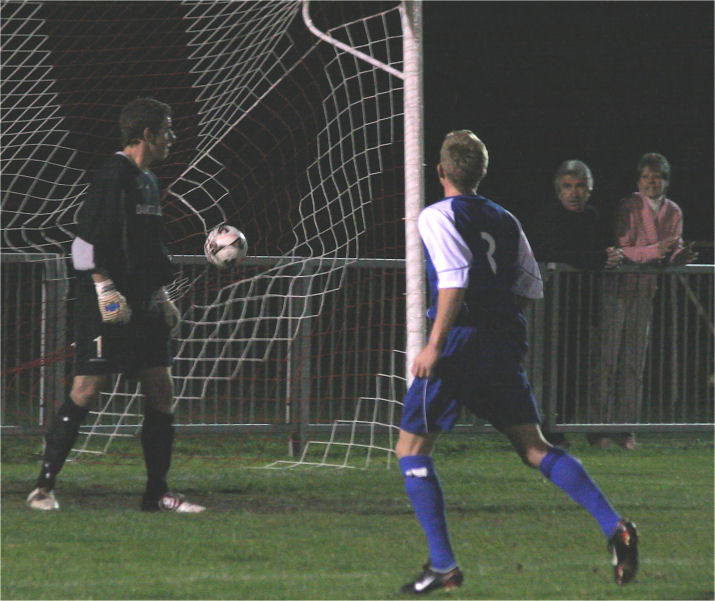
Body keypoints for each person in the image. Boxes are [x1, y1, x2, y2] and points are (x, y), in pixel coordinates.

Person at [396, 130, 638, 595]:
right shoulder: (505, 218)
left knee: (411, 451)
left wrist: (435, 345)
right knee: (533, 447)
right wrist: (499, 332)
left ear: (441, 171)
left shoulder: (436, 215)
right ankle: (614, 525)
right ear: (481, 172)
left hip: (458, 343)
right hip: (503, 339)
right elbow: (530, 288)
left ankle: (444, 566)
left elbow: (454, 280)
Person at [27, 97, 205, 513]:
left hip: (142, 304)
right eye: (168, 129)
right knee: (86, 388)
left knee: (162, 389)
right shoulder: (113, 176)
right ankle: (43, 487)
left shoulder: (148, 182)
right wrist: (105, 287)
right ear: (147, 135)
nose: (172, 138)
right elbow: (82, 243)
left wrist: (162, 297)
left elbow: (148, 249)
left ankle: (157, 494)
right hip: (105, 305)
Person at [591, 152, 698, 449]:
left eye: (659, 177)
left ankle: (627, 428)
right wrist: (654, 251)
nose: (653, 182)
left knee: (634, 364)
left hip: (645, 291)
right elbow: (624, 248)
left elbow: (670, 252)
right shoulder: (628, 205)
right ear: (639, 180)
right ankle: (597, 426)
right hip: (617, 289)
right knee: (607, 360)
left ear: (666, 181)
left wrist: (681, 257)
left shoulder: (674, 211)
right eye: (647, 177)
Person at [529, 160, 622, 448]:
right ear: (558, 190)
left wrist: (608, 258)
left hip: (584, 303)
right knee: (548, 365)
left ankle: (563, 423)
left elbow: (603, 251)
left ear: (589, 189)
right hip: (552, 304)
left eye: (580, 186)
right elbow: (551, 250)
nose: (574, 192)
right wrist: (594, 259)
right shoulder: (549, 216)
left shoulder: (594, 217)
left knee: (576, 367)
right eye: (568, 186)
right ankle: (542, 426)